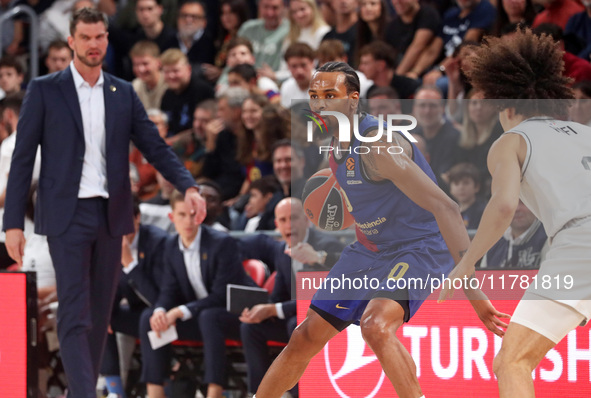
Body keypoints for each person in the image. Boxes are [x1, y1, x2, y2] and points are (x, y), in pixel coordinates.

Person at [252, 61, 505, 398]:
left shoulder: (378, 145)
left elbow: (447, 208)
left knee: (376, 325)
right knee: (304, 337)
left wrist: (473, 290)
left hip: (421, 245)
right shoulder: (334, 146)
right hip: (370, 248)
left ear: (353, 100)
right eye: (314, 96)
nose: (320, 103)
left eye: (331, 95)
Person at [2, 8, 206, 398]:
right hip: (66, 215)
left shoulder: (122, 92)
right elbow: (23, 159)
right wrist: (12, 223)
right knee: (75, 311)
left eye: (100, 37)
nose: (94, 44)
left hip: (111, 215)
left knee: (99, 314)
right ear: (71, 41)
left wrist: (189, 185)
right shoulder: (45, 89)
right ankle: (84, 394)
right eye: (86, 37)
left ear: (107, 40)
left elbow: (154, 146)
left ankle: (79, 389)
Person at [439, 29, 591, 397]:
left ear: (506, 107)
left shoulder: (512, 140)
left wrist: (467, 263)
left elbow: (504, 205)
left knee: (512, 361)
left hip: (580, 244)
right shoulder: (585, 132)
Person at [140, 190, 256, 398]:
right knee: (149, 317)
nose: (188, 221)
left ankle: (214, 392)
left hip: (236, 314)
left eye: (193, 214)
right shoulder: (170, 245)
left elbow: (221, 295)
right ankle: (154, 391)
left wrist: (179, 312)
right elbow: (169, 289)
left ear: (201, 215)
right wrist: (161, 310)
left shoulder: (221, 243)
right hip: (199, 315)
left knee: (209, 317)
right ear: (171, 217)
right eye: (182, 215)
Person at [239, 198, 344, 396]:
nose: (289, 225)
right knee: (250, 327)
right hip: (297, 320)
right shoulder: (281, 250)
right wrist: (260, 311)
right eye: (283, 220)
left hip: (327, 322)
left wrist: (318, 259)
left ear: (307, 220)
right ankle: (259, 393)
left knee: (295, 324)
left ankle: (297, 392)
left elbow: (321, 300)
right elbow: (278, 295)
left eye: (294, 218)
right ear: (277, 225)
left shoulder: (326, 244)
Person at [480, 200, 548, 269]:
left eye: (523, 202)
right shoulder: (493, 243)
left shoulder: (549, 239)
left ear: (536, 206)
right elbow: (481, 278)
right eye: (512, 203)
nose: (517, 208)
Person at [447, 162, 486, 230]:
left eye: (466, 183)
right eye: (456, 183)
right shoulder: (448, 212)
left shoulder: (483, 211)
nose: (461, 187)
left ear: (476, 187)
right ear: (450, 188)